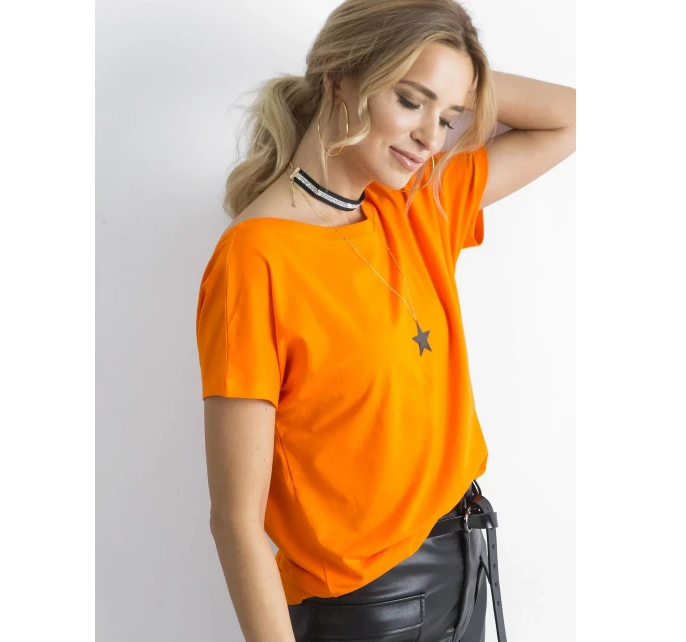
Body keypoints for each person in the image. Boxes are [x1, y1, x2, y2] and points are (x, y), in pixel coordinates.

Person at [196, 1, 575, 640]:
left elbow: (570, 118)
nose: (433, 137)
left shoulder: (416, 203)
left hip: (465, 566)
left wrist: (455, 75)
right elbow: (235, 520)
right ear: (340, 77)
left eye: (448, 117)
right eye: (409, 100)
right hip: (368, 608)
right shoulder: (256, 259)